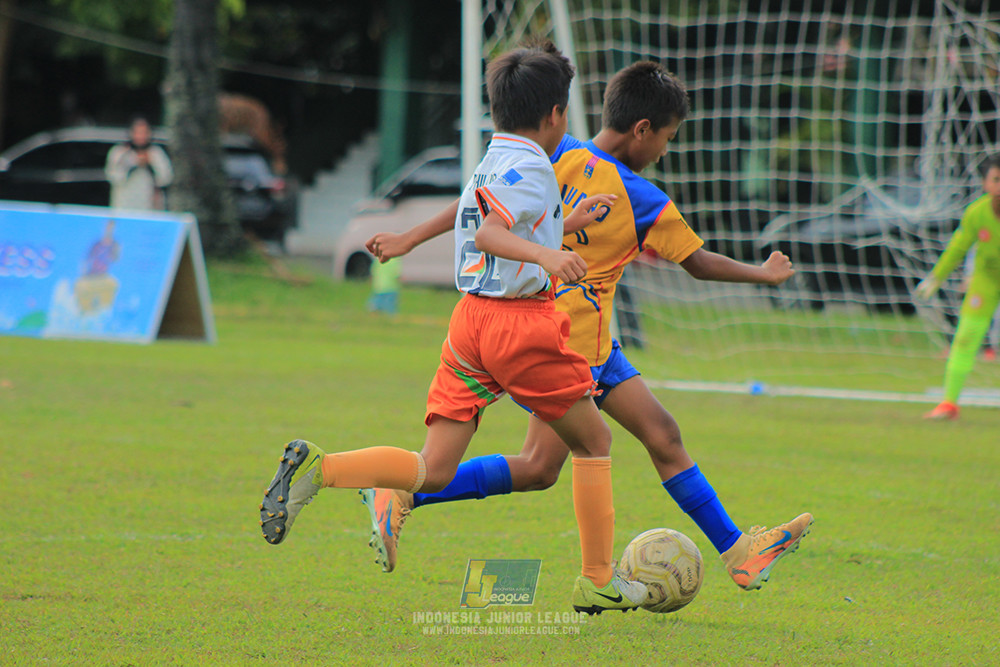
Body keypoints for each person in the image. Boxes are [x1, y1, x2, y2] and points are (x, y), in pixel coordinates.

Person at [363, 61, 813, 593]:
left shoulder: (553, 148)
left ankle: (740, 555)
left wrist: (410, 239)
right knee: (559, 461)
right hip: (563, 342)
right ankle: (418, 496)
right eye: (667, 138)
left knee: (642, 440)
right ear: (643, 130)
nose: (665, 151)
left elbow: (474, 205)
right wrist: (763, 274)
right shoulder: (641, 198)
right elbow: (697, 262)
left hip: (589, 339)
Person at [259, 40, 649, 615]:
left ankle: (323, 468)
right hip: (520, 326)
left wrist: (562, 224)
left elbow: (479, 219)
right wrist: (548, 258)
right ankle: (597, 578)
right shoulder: (537, 164)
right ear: (556, 116)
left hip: (470, 322)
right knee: (594, 441)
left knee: (433, 470)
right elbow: (493, 233)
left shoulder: (495, 155)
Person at [916, 154, 1000, 420]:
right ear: (986, 184)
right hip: (986, 282)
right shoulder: (977, 212)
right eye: (996, 179)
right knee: (965, 339)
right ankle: (949, 404)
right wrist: (936, 277)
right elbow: (958, 248)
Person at [105, 117, 173, 211]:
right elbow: (113, 177)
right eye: (138, 133)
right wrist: (133, 163)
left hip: (150, 209)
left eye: (144, 132)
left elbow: (165, 178)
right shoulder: (119, 152)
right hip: (124, 208)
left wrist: (150, 164)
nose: (141, 137)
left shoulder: (156, 153)